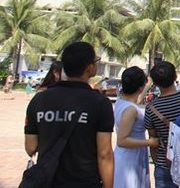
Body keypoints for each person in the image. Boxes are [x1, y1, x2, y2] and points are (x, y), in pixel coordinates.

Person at [24, 41, 114, 187]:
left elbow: (30, 147)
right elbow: (105, 154)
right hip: (85, 182)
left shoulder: (39, 99)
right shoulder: (100, 103)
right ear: (90, 67)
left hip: (47, 181)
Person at [144, 61, 180, 188]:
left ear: (155, 82)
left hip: (165, 164)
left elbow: (153, 140)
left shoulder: (151, 108)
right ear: (175, 77)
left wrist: (158, 162)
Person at [113, 66, 159, 188]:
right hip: (130, 158)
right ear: (140, 87)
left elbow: (137, 98)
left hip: (127, 155)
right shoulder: (130, 110)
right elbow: (122, 140)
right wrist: (150, 142)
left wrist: (147, 84)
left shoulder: (121, 101)